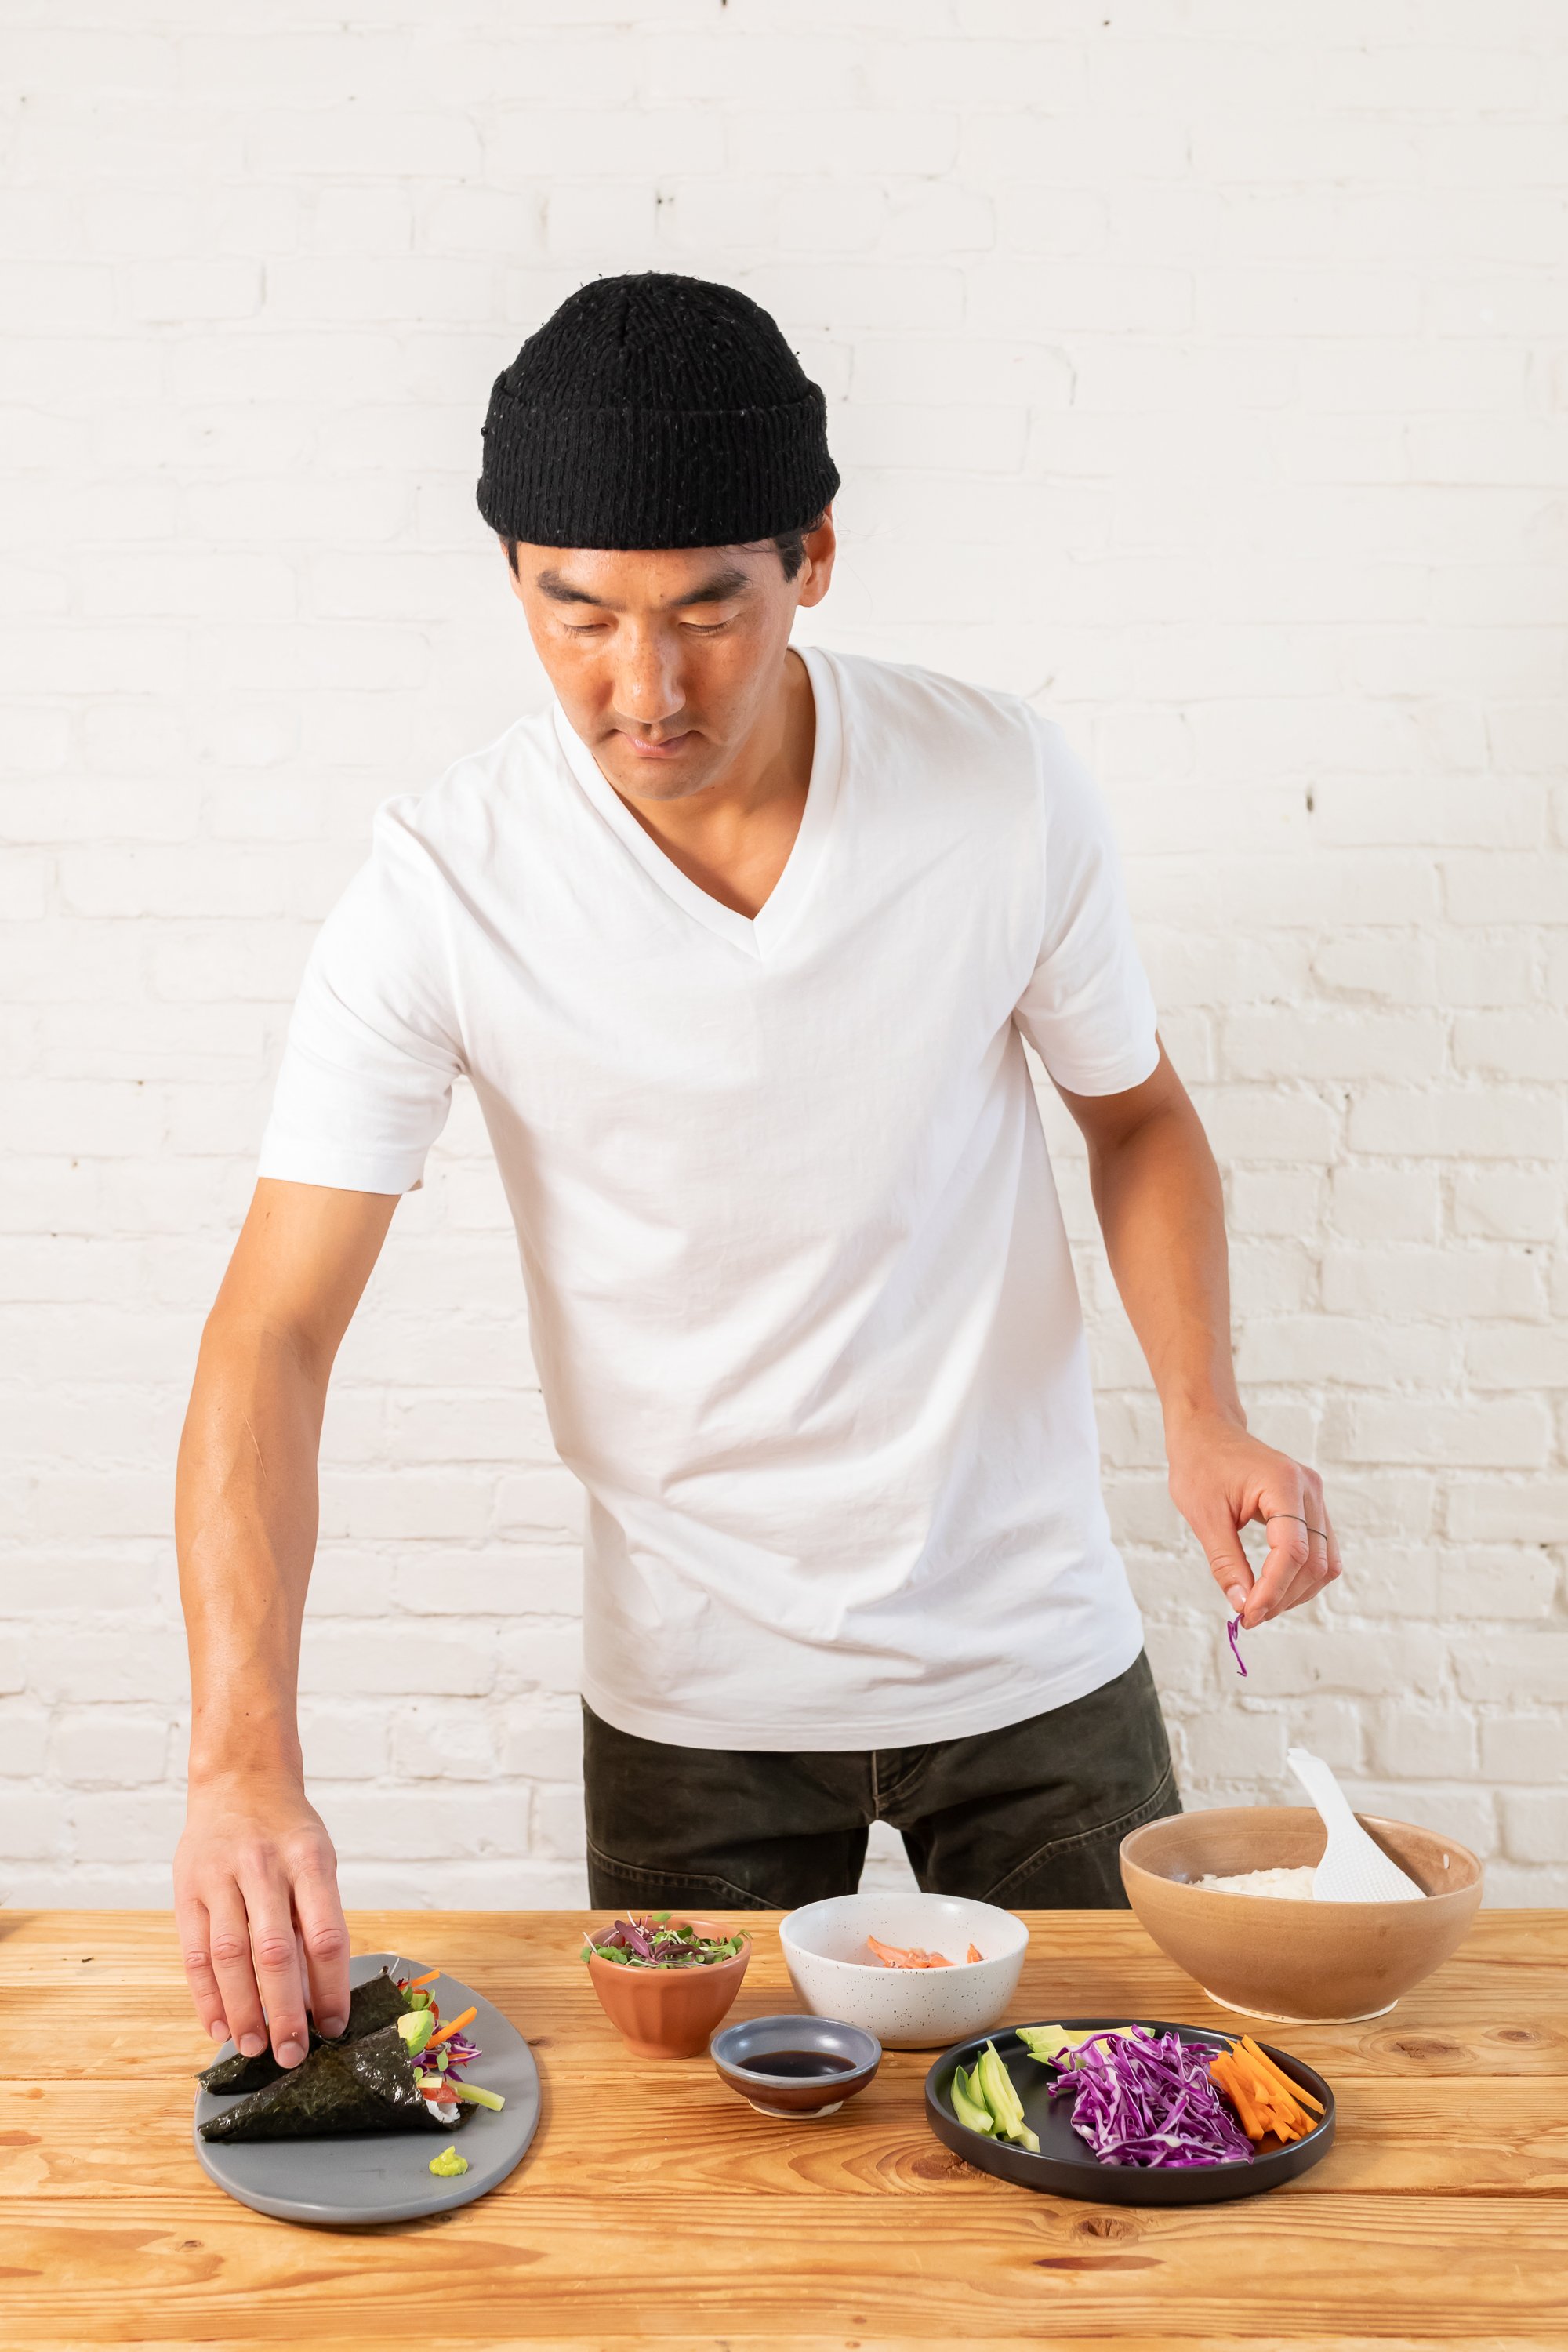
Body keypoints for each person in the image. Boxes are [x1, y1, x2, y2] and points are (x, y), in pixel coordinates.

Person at [173, 272, 1341, 2071]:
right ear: (514, 581)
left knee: (1130, 2133)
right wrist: (241, 1759)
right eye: (578, 613)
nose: (643, 690)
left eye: (709, 610)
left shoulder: (999, 787)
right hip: (689, 1707)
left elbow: (1136, 1118)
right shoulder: (440, 887)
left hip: (1032, 1657)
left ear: (813, 558)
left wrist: (1203, 1412)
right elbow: (271, 1333)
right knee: (698, 2188)